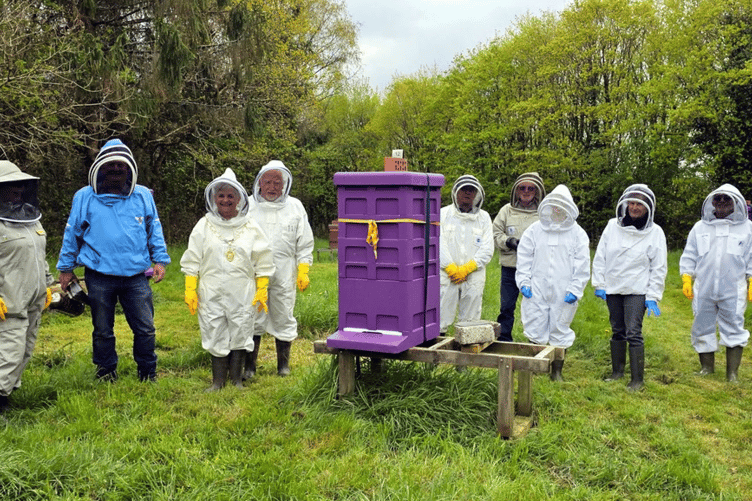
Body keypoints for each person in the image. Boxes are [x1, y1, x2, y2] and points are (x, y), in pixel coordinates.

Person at [57, 139, 171, 383]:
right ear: (100, 167)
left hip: (136, 276)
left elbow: (154, 229)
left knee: (145, 328)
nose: (116, 170)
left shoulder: (141, 195)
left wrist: (160, 260)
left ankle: (147, 373)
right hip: (99, 275)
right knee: (102, 330)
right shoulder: (84, 197)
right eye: (111, 166)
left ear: (129, 169)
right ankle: (106, 373)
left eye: (121, 166)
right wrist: (66, 268)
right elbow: (72, 232)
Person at [180, 168, 275, 391]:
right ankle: (217, 382)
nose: (225, 200)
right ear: (214, 198)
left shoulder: (251, 226)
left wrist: (262, 287)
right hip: (211, 290)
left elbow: (263, 258)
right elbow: (192, 258)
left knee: (241, 329)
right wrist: (190, 288)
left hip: (242, 291)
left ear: (239, 199)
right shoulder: (204, 225)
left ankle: (236, 380)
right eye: (221, 195)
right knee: (214, 330)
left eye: (230, 196)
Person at [592, 184, 667, 392]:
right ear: (625, 204)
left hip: (637, 289)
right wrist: (599, 283)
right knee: (617, 330)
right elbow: (601, 256)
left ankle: (637, 380)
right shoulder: (611, 226)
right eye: (631, 203)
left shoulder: (656, 232)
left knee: (633, 332)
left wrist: (652, 296)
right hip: (613, 287)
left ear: (647, 208)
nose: (634, 207)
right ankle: (617, 372)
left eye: (639, 204)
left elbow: (659, 267)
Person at [246, 160, 314, 377]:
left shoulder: (295, 206)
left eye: (278, 182)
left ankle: (283, 366)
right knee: (251, 316)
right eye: (268, 181)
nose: (273, 186)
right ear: (259, 183)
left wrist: (303, 268)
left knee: (284, 313)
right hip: (253, 272)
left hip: (285, 272)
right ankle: (249, 367)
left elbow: (304, 242)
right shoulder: (247, 206)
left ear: (285, 185)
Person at [515, 184, 590, 381]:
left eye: (560, 208)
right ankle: (535, 366)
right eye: (554, 207)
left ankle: (556, 371)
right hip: (537, 288)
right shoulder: (534, 230)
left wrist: (575, 288)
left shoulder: (578, 234)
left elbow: (582, 265)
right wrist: (524, 282)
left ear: (568, 209)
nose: (557, 211)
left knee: (560, 326)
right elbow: (524, 258)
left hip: (563, 289)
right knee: (534, 324)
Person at [679, 184, 752, 382]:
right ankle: (706, 368)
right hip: (704, 286)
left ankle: (732, 373)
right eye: (717, 199)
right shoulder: (700, 227)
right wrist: (687, 276)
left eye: (726, 199)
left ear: (735, 203)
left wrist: (751, 279)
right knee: (702, 325)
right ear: (711, 202)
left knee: (734, 326)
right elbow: (690, 254)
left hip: (733, 288)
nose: (721, 203)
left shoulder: (747, 229)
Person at [0, 161, 53, 417]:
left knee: (26, 348)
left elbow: (40, 256)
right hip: (8, 301)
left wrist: (49, 284)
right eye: (12, 185)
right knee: (9, 352)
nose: (18, 189)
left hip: (34, 299)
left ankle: (7, 395)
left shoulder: (31, 219)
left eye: (21, 184)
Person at [492, 172, 546, 341]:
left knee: (536, 306)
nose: (526, 191)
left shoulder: (544, 213)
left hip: (535, 269)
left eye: (531, 188)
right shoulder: (506, 211)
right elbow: (495, 233)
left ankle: (535, 340)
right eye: (522, 188)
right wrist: (509, 242)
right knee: (506, 307)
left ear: (537, 191)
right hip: (510, 267)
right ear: (516, 190)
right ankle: (504, 340)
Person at [439, 175, 494, 333]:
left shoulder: (484, 218)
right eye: (464, 189)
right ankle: (436, 349)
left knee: (470, 322)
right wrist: (450, 267)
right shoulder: (443, 214)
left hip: (473, 274)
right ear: (456, 192)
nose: (468, 193)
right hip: (447, 273)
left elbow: (487, 248)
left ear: (477, 194)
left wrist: (468, 268)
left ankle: (466, 353)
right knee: (441, 315)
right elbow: (438, 243)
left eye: (472, 190)